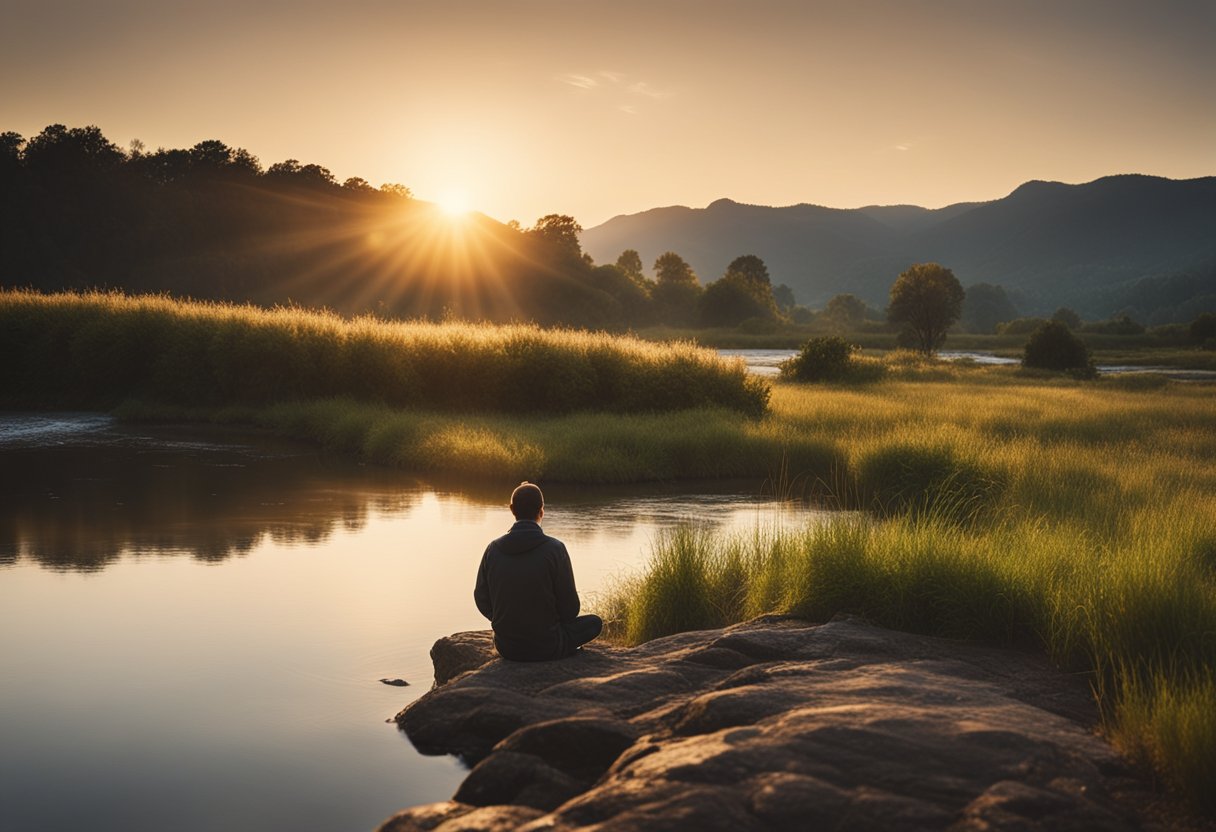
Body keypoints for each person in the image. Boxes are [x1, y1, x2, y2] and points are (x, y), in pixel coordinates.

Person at [474, 481, 602, 661]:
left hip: (507, 647)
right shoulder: (555, 549)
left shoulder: (492, 549)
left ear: (512, 509)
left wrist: (505, 620)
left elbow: (481, 598)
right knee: (594, 623)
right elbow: (570, 609)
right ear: (541, 510)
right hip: (547, 645)